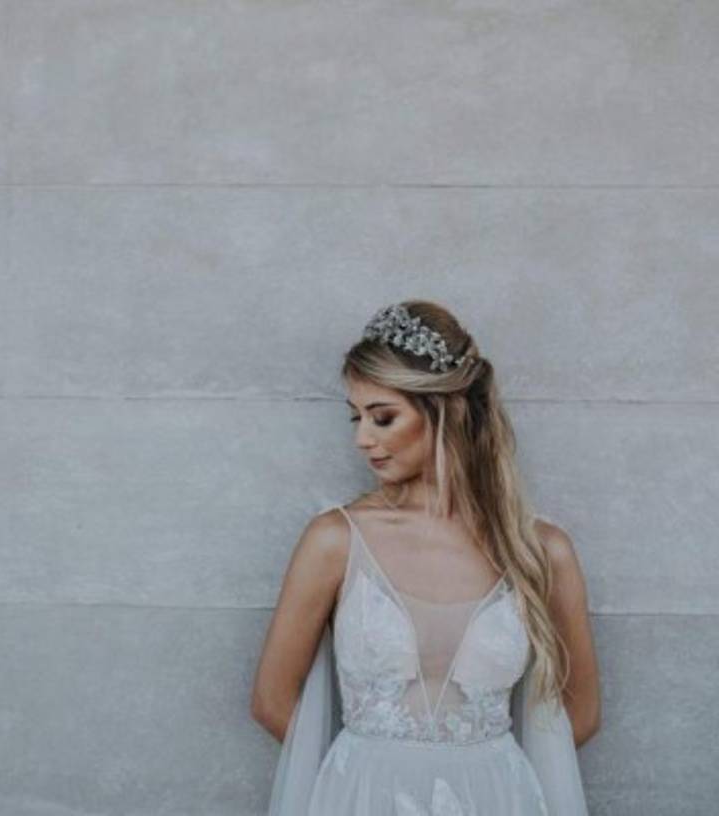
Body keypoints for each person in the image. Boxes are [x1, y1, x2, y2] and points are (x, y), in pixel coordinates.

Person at [251, 300, 600, 814]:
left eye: (382, 417)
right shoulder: (335, 540)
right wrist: (362, 779)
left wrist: (489, 780)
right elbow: (272, 700)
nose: (361, 439)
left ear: (446, 410)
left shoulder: (542, 550)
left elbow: (582, 712)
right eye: (357, 417)